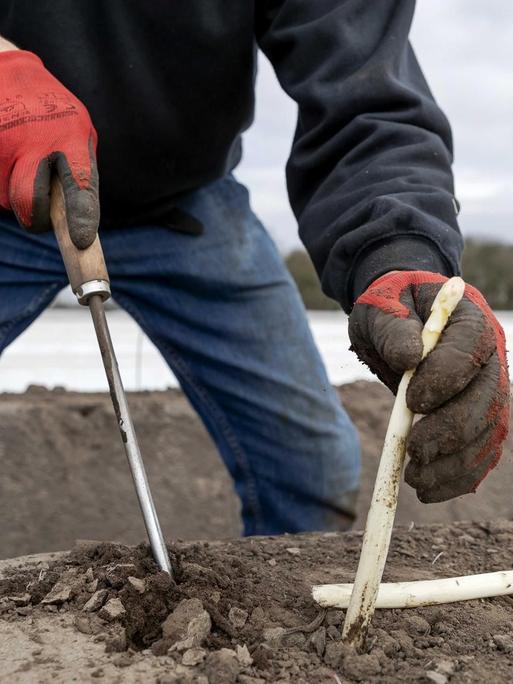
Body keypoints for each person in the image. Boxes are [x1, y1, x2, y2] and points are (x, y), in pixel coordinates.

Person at [0, 2, 508, 535]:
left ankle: (287, 607)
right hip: (8, 201)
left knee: (312, 466)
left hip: (184, 207)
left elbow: (365, 99)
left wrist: (401, 258)